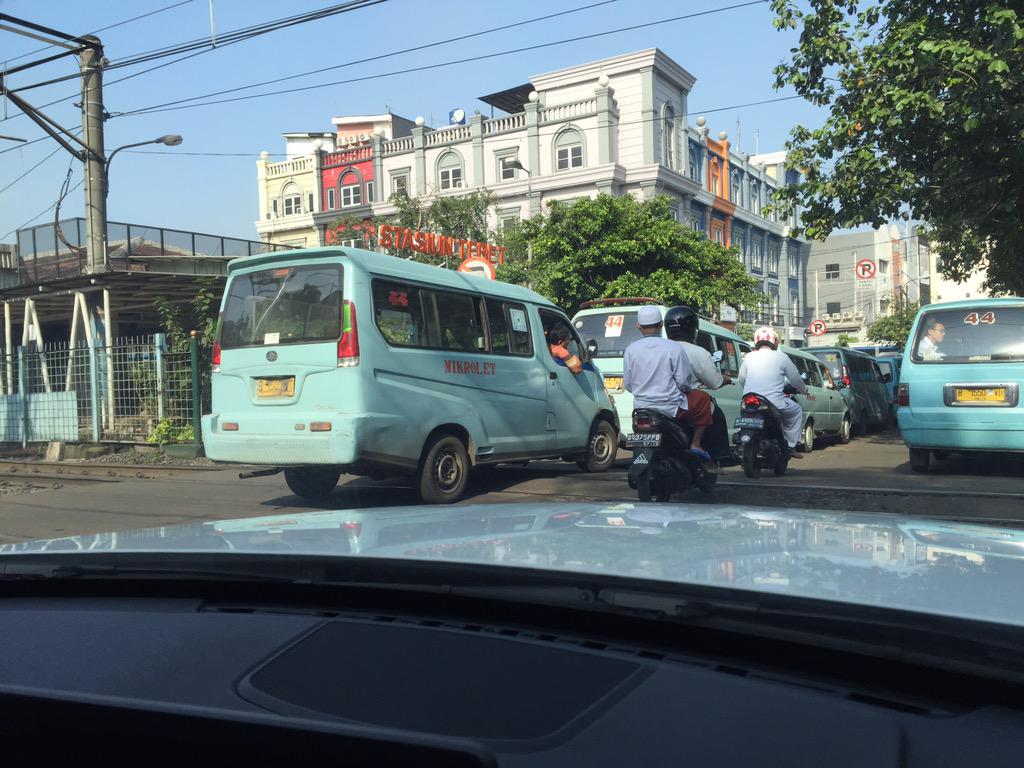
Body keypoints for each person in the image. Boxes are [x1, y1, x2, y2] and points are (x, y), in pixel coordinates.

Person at [623, 305, 713, 456]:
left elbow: (629, 385)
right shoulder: (673, 347)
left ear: (638, 326)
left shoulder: (631, 349)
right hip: (671, 408)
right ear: (661, 325)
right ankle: (696, 444)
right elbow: (684, 382)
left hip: (641, 408)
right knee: (704, 398)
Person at [663, 305, 734, 465]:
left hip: (652, 403)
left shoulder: (659, 349)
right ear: (693, 328)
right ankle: (715, 455)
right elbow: (714, 381)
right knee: (715, 412)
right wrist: (725, 379)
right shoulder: (698, 352)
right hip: (683, 403)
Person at [737, 326, 806, 457]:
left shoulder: (749, 357)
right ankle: (791, 445)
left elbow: (741, 379)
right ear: (775, 342)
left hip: (749, 400)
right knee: (796, 410)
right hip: (774, 403)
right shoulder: (782, 357)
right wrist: (802, 389)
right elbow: (796, 379)